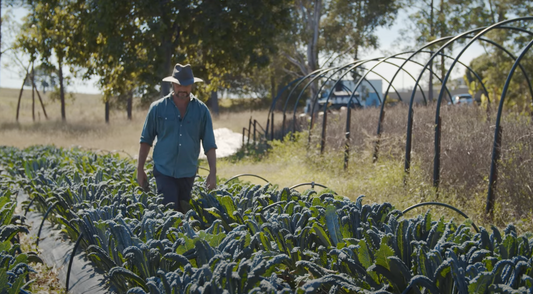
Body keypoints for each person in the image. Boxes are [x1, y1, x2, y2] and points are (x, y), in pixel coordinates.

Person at [137, 63, 217, 213]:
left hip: (188, 172)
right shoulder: (158, 108)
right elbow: (145, 140)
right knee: (170, 211)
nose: (183, 89)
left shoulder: (201, 111)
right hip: (164, 170)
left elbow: (210, 144)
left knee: (183, 212)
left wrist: (212, 174)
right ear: (173, 84)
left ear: (192, 85)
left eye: (187, 85)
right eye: (179, 85)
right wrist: (140, 169)